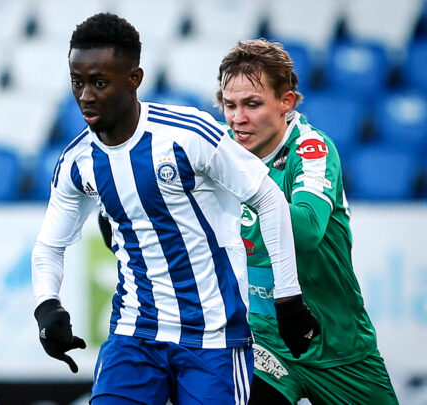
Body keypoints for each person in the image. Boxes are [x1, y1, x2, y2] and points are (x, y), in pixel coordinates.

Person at [31, 13, 320, 405]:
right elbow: (50, 245)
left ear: (134, 78)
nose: (85, 95)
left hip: (213, 338)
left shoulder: (187, 134)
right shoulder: (77, 160)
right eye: (77, 82)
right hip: (134, 334)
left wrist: (288, 297)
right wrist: (47, 305)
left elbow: (268, 198)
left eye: (99, 82)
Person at [216, 39, 398, 404]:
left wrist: (243, 207)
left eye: (252, 104)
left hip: (340, 345)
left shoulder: (311, 148)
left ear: (286, 102)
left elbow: (306, 230)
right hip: (263, 337)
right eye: (229, 105)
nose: (238, 118)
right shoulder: (217, 151)